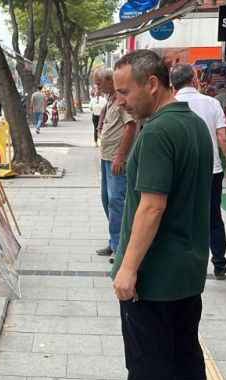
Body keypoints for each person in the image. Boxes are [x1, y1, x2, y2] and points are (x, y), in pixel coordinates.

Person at [110, 50, 214, 380]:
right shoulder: (194, 125)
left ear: (152, 84)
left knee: (148, 365)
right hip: (187, 269)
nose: (120, 100)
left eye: (124, 91)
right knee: (186, 353)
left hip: (154, 276)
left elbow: (152, 205)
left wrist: (128, 267)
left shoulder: (156, 134)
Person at [171, 63, 226, 278]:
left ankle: (183, 263)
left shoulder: (170, 103)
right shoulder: (212, 103)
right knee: (213, 217)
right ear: (194, 80)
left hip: (179, 171)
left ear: (172, 84)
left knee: (179, 216)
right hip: (211, 171)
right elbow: (223, 137)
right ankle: (220, 264)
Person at [94, 68, 137, 262]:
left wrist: (120, 156)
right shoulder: (111, 100)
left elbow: (131, 126)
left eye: (99, 83)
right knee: (107, 199)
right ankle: (114, 241)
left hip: (116, 160)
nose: (97, 87)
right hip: (106, 158)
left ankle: (121, 247)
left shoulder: (121, 101)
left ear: (110, 81)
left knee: (116, 201)